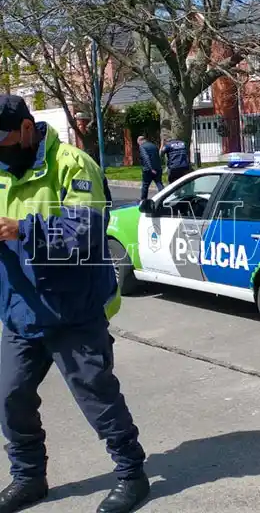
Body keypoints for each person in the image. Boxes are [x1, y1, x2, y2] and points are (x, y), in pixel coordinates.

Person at [0, 95, 149, 513]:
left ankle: (132, 474)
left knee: (97, 398)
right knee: (10, 397)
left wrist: (22, 230)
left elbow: (86, 233)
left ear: (27, 130)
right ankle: (29, 477)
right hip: (20, 311)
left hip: (74, 310)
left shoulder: (72, 164)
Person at [137, 135, 164, 201]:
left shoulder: (142, 147)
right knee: (159, 183)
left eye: (138, 143)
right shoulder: (154, 146)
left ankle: (143, 201)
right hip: (158, 168)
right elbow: (158, 157)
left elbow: (146, 158)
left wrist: (151, 168)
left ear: (140, 141)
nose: (139, 145)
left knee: (145, 185)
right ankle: (164, 197)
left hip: (148, 170)